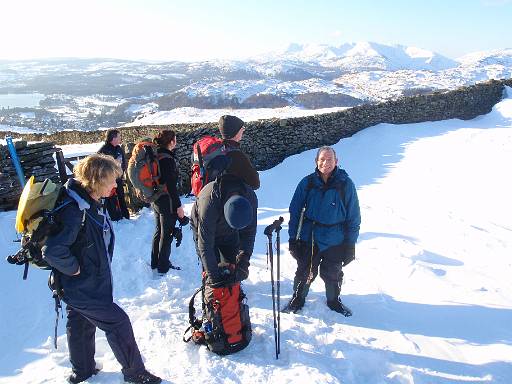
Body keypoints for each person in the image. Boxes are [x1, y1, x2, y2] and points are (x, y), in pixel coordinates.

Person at [42, 154, 161, 384]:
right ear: (97, 180)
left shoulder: (88, 201)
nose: (116, 185)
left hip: (82, 285)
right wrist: (75, 269)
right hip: (83, 286)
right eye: (112, 180)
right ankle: (135, 372)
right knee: (118, 322)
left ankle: (82, 370)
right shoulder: (75, 210)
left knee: (79, 322)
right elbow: (53, 250)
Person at [287, 146, 361, 316]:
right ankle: (298, 298)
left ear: (336, 161)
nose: (325, 163)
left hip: (335, 238)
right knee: (305, 270)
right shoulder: (307, 183)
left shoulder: (345, 184)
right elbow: (295, 212)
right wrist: (293, 239)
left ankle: (334, 301)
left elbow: (354, 217)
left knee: (333, 272)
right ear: (316, 162)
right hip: (310, 237)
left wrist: (350, 244)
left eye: (329, 159)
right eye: (322, 159)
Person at [190, 172, 258, 288]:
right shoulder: (209, 203)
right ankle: (210, 301)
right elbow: (205, 246)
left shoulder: (250, 198)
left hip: (229, 233)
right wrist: (214, 279)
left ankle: (232, 299)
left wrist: (243, 260)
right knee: (211, 271)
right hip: (204, 228)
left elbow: (249, 233)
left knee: (232, 268)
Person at [151, 129, 185, 275]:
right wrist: (178, 206)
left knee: (159, 231)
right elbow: (171, 186)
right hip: (167, 201)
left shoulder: (156, 155)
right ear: (171, 142)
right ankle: (163, 266)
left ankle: (155, 262)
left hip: (156, 198)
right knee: (167, 234)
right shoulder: (167, 159)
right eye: (175, 139)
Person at [218, 115, 260, 190]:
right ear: (236, 132)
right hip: (228, 198)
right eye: (242, 128)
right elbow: (255, 184)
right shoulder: (237, 156)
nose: (243, 130)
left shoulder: (217, 149)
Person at [97, 129, 130, 220]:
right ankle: (115, 217)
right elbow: (99, 167)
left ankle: (125, 216)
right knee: (110, 199)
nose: (120, 138)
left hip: (118, 179)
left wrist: (122, 171)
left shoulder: (119, 148)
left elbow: (123, 162)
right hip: (108, 181)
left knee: (121, 197)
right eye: (119, 136)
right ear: (113, 138)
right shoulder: (103, 151)